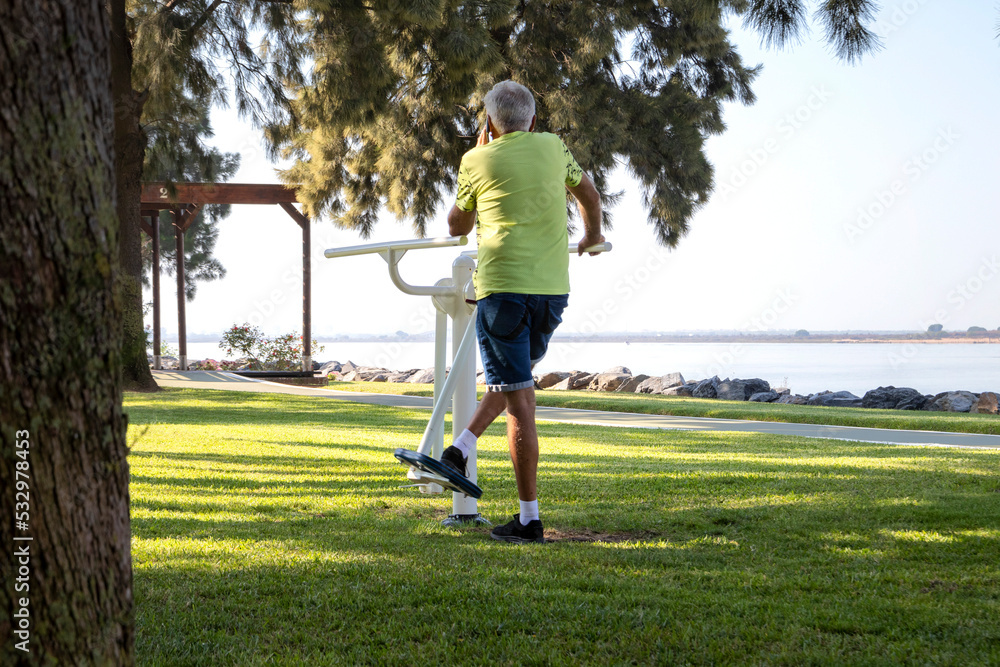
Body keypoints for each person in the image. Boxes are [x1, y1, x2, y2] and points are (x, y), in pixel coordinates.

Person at [442, 80, 604, 544]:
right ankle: (460, 449)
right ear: (533, 120)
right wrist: (591, 237)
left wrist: (477, 161)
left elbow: (458, 225)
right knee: (516, 384)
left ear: (490, 124)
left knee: (521, 403)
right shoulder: (554, 147)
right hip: (552, 294)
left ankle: (529, 520)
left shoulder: (476, 159)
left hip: (503, 293)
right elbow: (590, 197)